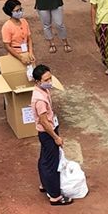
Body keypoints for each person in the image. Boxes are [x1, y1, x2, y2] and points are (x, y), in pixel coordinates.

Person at [31, 64, 72, 206]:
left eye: (50, 78)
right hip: (48, 133)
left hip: (47, 132)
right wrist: (56, 137)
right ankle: (55, 195)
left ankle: (44, 184)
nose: (49, 82)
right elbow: (43, 121)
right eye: (46, 80)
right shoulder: (40, 100)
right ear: (37, 81)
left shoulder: (42, 91)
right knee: (52, 164)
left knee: (45, 159)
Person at [1, 0, 36, 67]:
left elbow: (29, 38)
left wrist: (31, 52)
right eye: (17, 10)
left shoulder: (24, 21)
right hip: (15, 55)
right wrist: (20, 58)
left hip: (26, 52)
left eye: (20, 9)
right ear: (10, 12)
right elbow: (7, 46)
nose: (20, 12)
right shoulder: (7, 26)